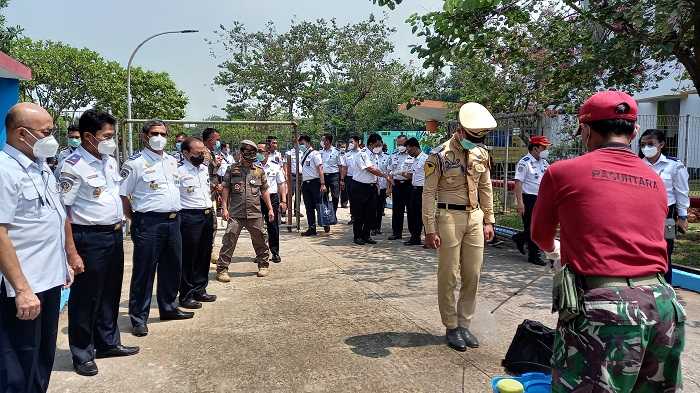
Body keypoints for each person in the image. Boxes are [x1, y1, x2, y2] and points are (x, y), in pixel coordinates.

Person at [532, 90, 685, 391]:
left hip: (607, 311)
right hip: (663, 306)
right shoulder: (653, 177)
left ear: (587, 130)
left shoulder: (563, 172)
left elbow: (540, 235)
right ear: (633, 131)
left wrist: (555, 251)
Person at [0, 103, 75, 392]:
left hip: (49, 281)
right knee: (16, 368)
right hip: (21, 288)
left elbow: (56, 217)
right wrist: (21, 289)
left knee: (41, 360)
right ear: (22, 134)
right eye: (46, 132)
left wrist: (66, 259)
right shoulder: (5, 171)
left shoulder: (41, 168)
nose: (52, 138)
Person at [59, 109, 139, 377]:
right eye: (107, 136)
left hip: (114, 234)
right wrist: (72, 252)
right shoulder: (72, 165)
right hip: (88, 238)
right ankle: (82, 353)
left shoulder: (108, 160)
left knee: (110, 291)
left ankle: (107, 342)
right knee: (85, 297)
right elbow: (63, 212)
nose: (111, 141)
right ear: (88, 137)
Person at [423, 103, 496, 351]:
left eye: (479, 139)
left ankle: (465, 324)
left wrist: (489, 220)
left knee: (473, 273)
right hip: (448, 217)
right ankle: (451, 326)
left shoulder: (481, 153)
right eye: (472, 138)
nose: (476, 142)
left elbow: (486, 188)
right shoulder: (439, 155)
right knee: (449, 274)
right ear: (460, 130)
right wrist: (429, 227)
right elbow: (428, 192)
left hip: (475, 217)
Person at [120, 120, 193, 338]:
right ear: (144, 136)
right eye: (154, 133)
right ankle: (139, 318)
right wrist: (134, 217)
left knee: (172, 267)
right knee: (144, 271)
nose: (159, 137)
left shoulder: (172, 161)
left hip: (173, 221)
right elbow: (122, 194)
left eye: (163, 133)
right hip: (148, 222)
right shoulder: (135, 163)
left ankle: (168, 307)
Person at [216, 140, 275, 281]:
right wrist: (224, 208)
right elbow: (226, 188)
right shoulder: (232, 169)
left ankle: (263, 265)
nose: (251, 154)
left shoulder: (259, 171)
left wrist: (270, 209)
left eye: (253, 151)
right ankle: (222, 269)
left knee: (260, 239)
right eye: (247, 151)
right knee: (229, 240)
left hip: (254, 212)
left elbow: (265, 190)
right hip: (236, 213)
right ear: (242, 153)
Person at [640, 128, 690, 285]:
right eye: (642, 144)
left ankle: (666, 288)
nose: (646, 148)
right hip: (642, 217)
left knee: (665, 252)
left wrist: (682, 217)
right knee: (642, 252)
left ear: (661, 144)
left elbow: (682, 192)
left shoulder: (674, 165)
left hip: (667, 217)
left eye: (650, 144)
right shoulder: (637, 164)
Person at [177, 137, 218, 310]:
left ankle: (200, 289)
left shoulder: (203, 169)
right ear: (185, 153)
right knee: (189, 256)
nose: (202, 155)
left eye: (203, 152)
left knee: (204, 254)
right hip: (189, 217)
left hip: (206, 214)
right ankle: (186, 294)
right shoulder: (178, 172)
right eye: (198, 153)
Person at [512, 135, 551, 266]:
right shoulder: (525, 162)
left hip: (541, 199)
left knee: (538, 228)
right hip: (528, 198)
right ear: (535, 148)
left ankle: (519, 238)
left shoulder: (544, 162)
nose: (546, 150)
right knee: (532, 228)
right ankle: (534, 255)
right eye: (543, 147)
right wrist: (520, 202)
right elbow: (518, 183)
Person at [350, 133, 388, 245]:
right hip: (359, 187)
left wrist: (377, 184)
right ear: (371, 143)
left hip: (371, 187)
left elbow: (375, 171)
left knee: (370, 213)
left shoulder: (374, 155)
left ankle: (366, 235)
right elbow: (370, 169)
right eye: (377, 145)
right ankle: (357, 236)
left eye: (380, 145)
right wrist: (385, 176)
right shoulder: (362, 154)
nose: (379, 147)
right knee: (359, 214)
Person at [259, 141, 287, 262]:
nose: (258, 153)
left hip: (272, 198)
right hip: (256, 199)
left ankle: (275, 252)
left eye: (261, 151)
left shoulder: (275, 166)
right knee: (257, 228)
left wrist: (284, 201)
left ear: (267, 152)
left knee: (273, 226)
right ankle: (260, 253)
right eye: (257, 151)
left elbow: (281, 184)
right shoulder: (252, 166)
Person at [299, 135, 327, 235]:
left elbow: (320, 169)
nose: (301, 145)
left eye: (302, 143)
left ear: (308, 142)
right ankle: (312, 228)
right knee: (308, 207)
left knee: (319, 205)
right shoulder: (303, 155)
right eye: (300, 144)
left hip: (315, 182)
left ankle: (325, 222)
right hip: (306, 184)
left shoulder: (315, 154)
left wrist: (322, 183)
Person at [402, 138, 428, 246]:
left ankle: (427, 239)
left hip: (422, 190)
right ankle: (415, 237)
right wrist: (401, 173)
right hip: (414, 189)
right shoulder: (415, 159)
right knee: (413, 214)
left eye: (409, 150)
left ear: (414, 147)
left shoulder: (426, 159)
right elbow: (412, 175)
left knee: (423, 215)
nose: (408, 152)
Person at [388, 135, 412, 240]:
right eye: (398, 144)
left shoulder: (412, 155)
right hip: (397, 184)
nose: (400, 146)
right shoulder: (393, 155)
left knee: (411, 210)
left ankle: (413, 234)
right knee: (397, 210)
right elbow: (389, 170)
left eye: (402, 144)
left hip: (409, 184)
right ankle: (396, 233)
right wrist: (390, 182)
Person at [371, 143, 391, 236]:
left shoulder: (387, 157)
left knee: (379, 208)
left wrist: (388, 188)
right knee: (371, 207)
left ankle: (377, 227)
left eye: (378, 146)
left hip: (382, 186)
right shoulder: (370, 156)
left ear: (382, 147)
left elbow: (388, 173)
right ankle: (371, 227)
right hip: (372, 185)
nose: (376, 148)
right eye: (375, 146)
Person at [341, 135, 361, 225]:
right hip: (350, 178)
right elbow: (344, 168)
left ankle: (361, 217)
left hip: (360, 178)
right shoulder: (347, 154)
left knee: (360, 198)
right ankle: (353, 217)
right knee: (352, 199)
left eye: (352, 142)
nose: (350, 144)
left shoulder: (363, 153)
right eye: (349, 142)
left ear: (358, 142)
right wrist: (342, 179)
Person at [320, 133, 342, 212]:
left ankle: (333, 213)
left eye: (323, 140)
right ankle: (326, 215)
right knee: (324, 196)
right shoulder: (320, 152)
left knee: (335, 196)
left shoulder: (336, 151)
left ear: (328, 141)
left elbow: (340, 166)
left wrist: (341, 179)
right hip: (323, 176)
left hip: (334, 176)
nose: (322, 142)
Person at [339, 142, 349, 208]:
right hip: (338, 173)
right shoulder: (337, 154)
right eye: (341, 147)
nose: (343, 148)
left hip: (345, 174)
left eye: (344, 147)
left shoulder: (347, 155)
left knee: (344, 189)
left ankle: (344, 203)